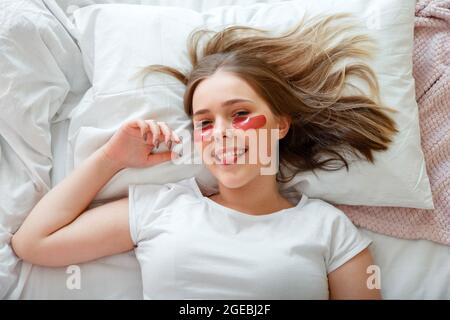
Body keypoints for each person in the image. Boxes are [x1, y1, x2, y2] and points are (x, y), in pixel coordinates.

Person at [11, 14, 397, 299]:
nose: (222, 134)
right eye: (205, 122)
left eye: (240, 114)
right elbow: (32, 242)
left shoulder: (328, 228)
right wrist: (111, 158)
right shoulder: (162, 207)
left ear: (280, 123)